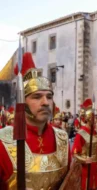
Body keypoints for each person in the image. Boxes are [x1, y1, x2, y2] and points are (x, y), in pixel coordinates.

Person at [0, 52, 70, 189]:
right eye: (37, 97)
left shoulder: (62, 138)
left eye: (49, 96)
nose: (45, 102)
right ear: (22, 103)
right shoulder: (3, 141)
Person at [72, 98, 97, 190]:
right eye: (93, 118)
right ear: (88, 119)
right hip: (86, 167)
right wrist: (84, 160)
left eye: (95, 118)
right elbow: (74, 153)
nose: (95, 121)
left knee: (95, 187)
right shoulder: (81, 134)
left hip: (96, 166)